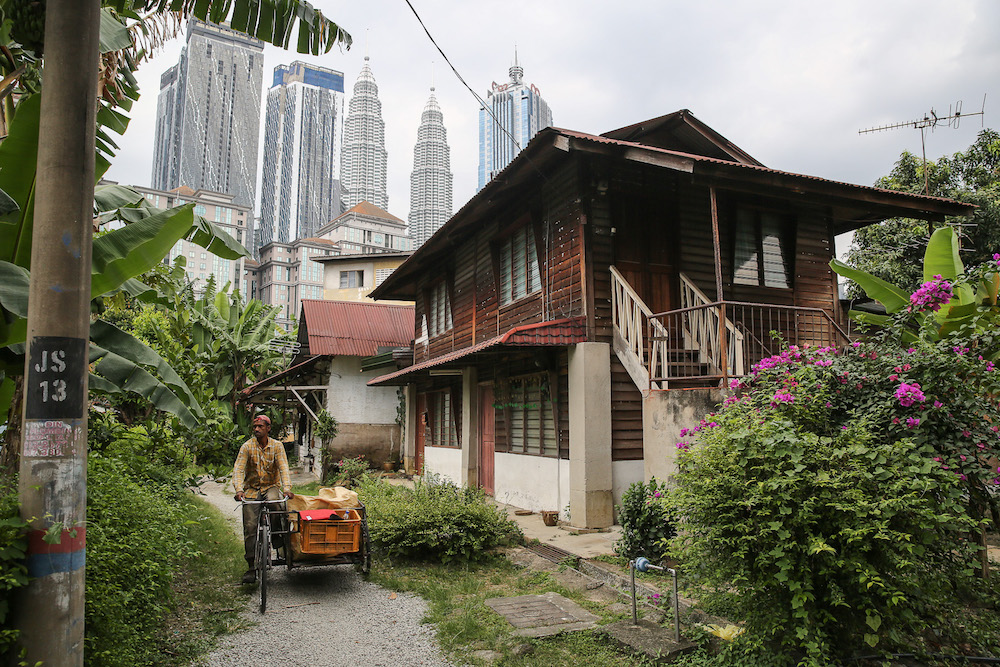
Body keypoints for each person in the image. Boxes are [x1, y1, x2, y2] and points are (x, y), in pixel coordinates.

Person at [232, 414, 292, 583]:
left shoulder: (277, 446)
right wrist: (239, 490)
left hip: (271, 486)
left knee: (276, 505)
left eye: (260, 426)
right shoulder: (247, 447)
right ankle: (251, 566)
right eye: (255, 427)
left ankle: (275, 535)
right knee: (250, 527)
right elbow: (238, 469)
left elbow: (284, 468)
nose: (257, 429)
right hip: (251, 489)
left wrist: (287, 489)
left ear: (268, 428)